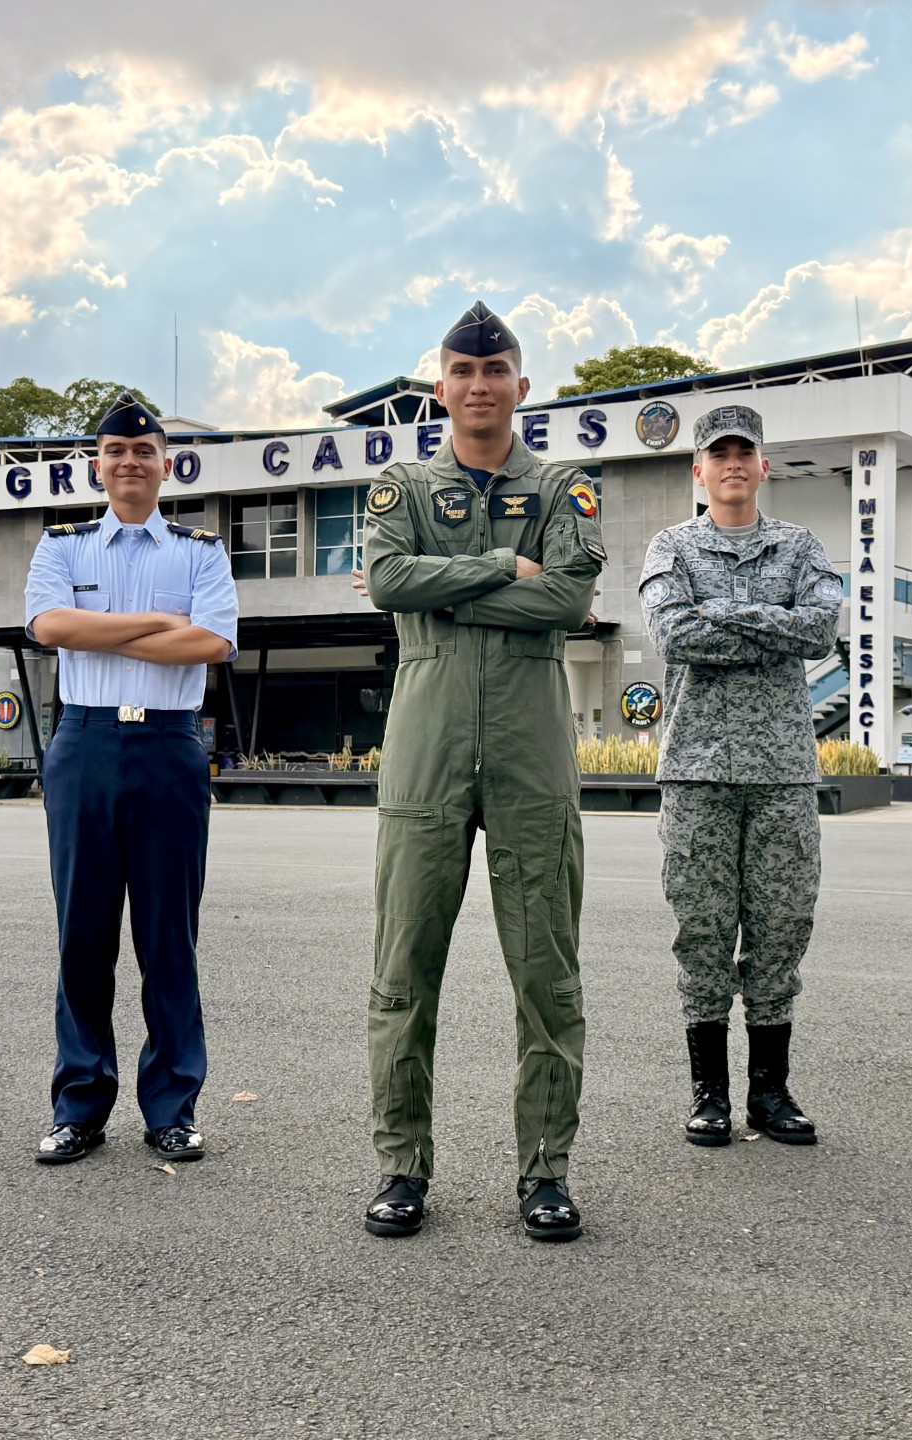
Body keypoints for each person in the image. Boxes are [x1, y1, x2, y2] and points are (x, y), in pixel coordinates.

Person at [358, 301, 604, 1243]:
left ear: (521, 387)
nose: (478, 387)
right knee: (403, 965)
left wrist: (452, 588)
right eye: (461, 372)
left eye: (494, 370)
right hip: (424, 746)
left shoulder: (563, 486)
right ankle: (400, 1165)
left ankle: (545, 1170)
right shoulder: (403, 487)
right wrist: (507, 565)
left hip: (530, 750)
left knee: (546, 969)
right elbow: (388, 582)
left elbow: (573, 599)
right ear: (440, 389)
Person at [23, 394, 238, 1167]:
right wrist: (156, 625)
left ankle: (173, 1107)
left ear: (167, 464)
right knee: (82, 935)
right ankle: (78, 1105)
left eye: (144, 452)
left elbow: (213, 643)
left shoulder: (200, 551)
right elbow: (50, 628)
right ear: (98, 464)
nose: (129, 463)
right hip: (84, 744)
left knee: (167, 939)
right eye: (115, 451)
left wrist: (106, 632)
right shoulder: (64, 546)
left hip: (170, 750)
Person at [638, 404, 843, 1147]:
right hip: (696, 771)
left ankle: (771, 1091)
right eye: (717, 453)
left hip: (783, 772)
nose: (731, 463)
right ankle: (709, 1092)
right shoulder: (671, 545)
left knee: (782, 928)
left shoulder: (800, 546)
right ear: (699, 470)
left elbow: (820, 630)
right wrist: (767, 620)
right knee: (702, 932)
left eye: (743, 452)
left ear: (764, 466)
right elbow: (671, 633)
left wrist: (720, 616)